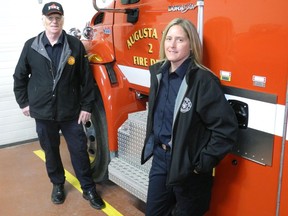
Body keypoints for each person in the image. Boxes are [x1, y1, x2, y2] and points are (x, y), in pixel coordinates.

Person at [141, 18, 238, 216]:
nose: (172, 45)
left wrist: (201, 164)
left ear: (191, 46)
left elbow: (226, 129)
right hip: (160, 160)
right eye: (168, 38)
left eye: (180, 40)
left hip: (188, 167)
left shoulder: (203, 81)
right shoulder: (158, 74)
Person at [13, 2, 105, 210]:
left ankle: (88, 188)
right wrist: (24, 102)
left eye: (58, 17)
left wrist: (86, 106)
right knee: (51, 150)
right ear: (43, 20)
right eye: (50, 18)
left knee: (79, 150)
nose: (54, 21)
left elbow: (86, 79)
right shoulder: (31, 46)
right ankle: (57, 184)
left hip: (70, 111)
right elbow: (20, 76)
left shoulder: (74, 45)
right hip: (43, 112)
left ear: (63, 19)